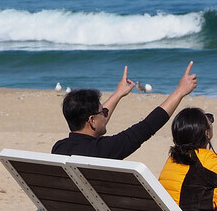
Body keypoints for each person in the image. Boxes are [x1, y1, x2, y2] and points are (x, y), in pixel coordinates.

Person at [52, 61, 197, 159]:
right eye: (103, 112)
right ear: (91, 120)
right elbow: (148, 126)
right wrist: (179, 92)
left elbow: (95, 121)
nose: (105, 113)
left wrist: (118, 94)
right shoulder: (104, 149)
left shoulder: (59, 149)